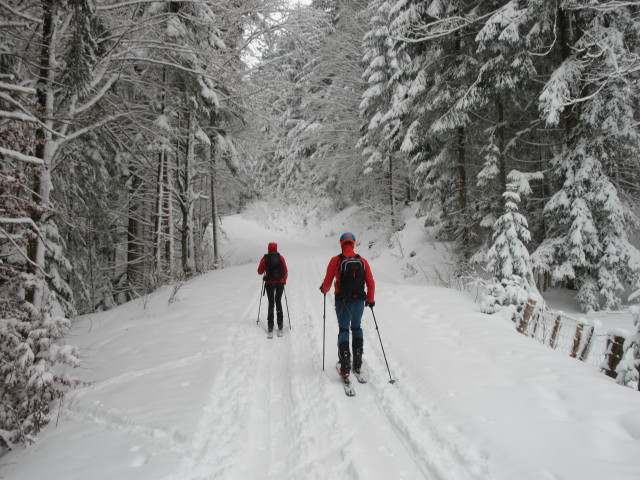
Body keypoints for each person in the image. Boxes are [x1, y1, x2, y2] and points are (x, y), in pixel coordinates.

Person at [320, 232, 375, 377]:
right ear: (353, 243)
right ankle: (357, 362)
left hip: (342, 301)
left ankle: (344, 364)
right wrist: (370, 299)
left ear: (341, 244)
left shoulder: (335, 260)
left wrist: (324, 290)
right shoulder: (363, 261)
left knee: (344, 330)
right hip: (359, 302)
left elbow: (327, 282)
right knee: (356, 327)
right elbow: (370, 282)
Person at [257, 242, 288, 336]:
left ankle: (270, 328)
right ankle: (280, 327)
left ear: (268, 248)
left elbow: (259, 271)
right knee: (278, 301)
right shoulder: (280, 257)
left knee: (271, 303)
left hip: (269, 283)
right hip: (280, 283)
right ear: (276, 248)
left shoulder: (265, 258)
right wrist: (283, 280)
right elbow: (286, 271)